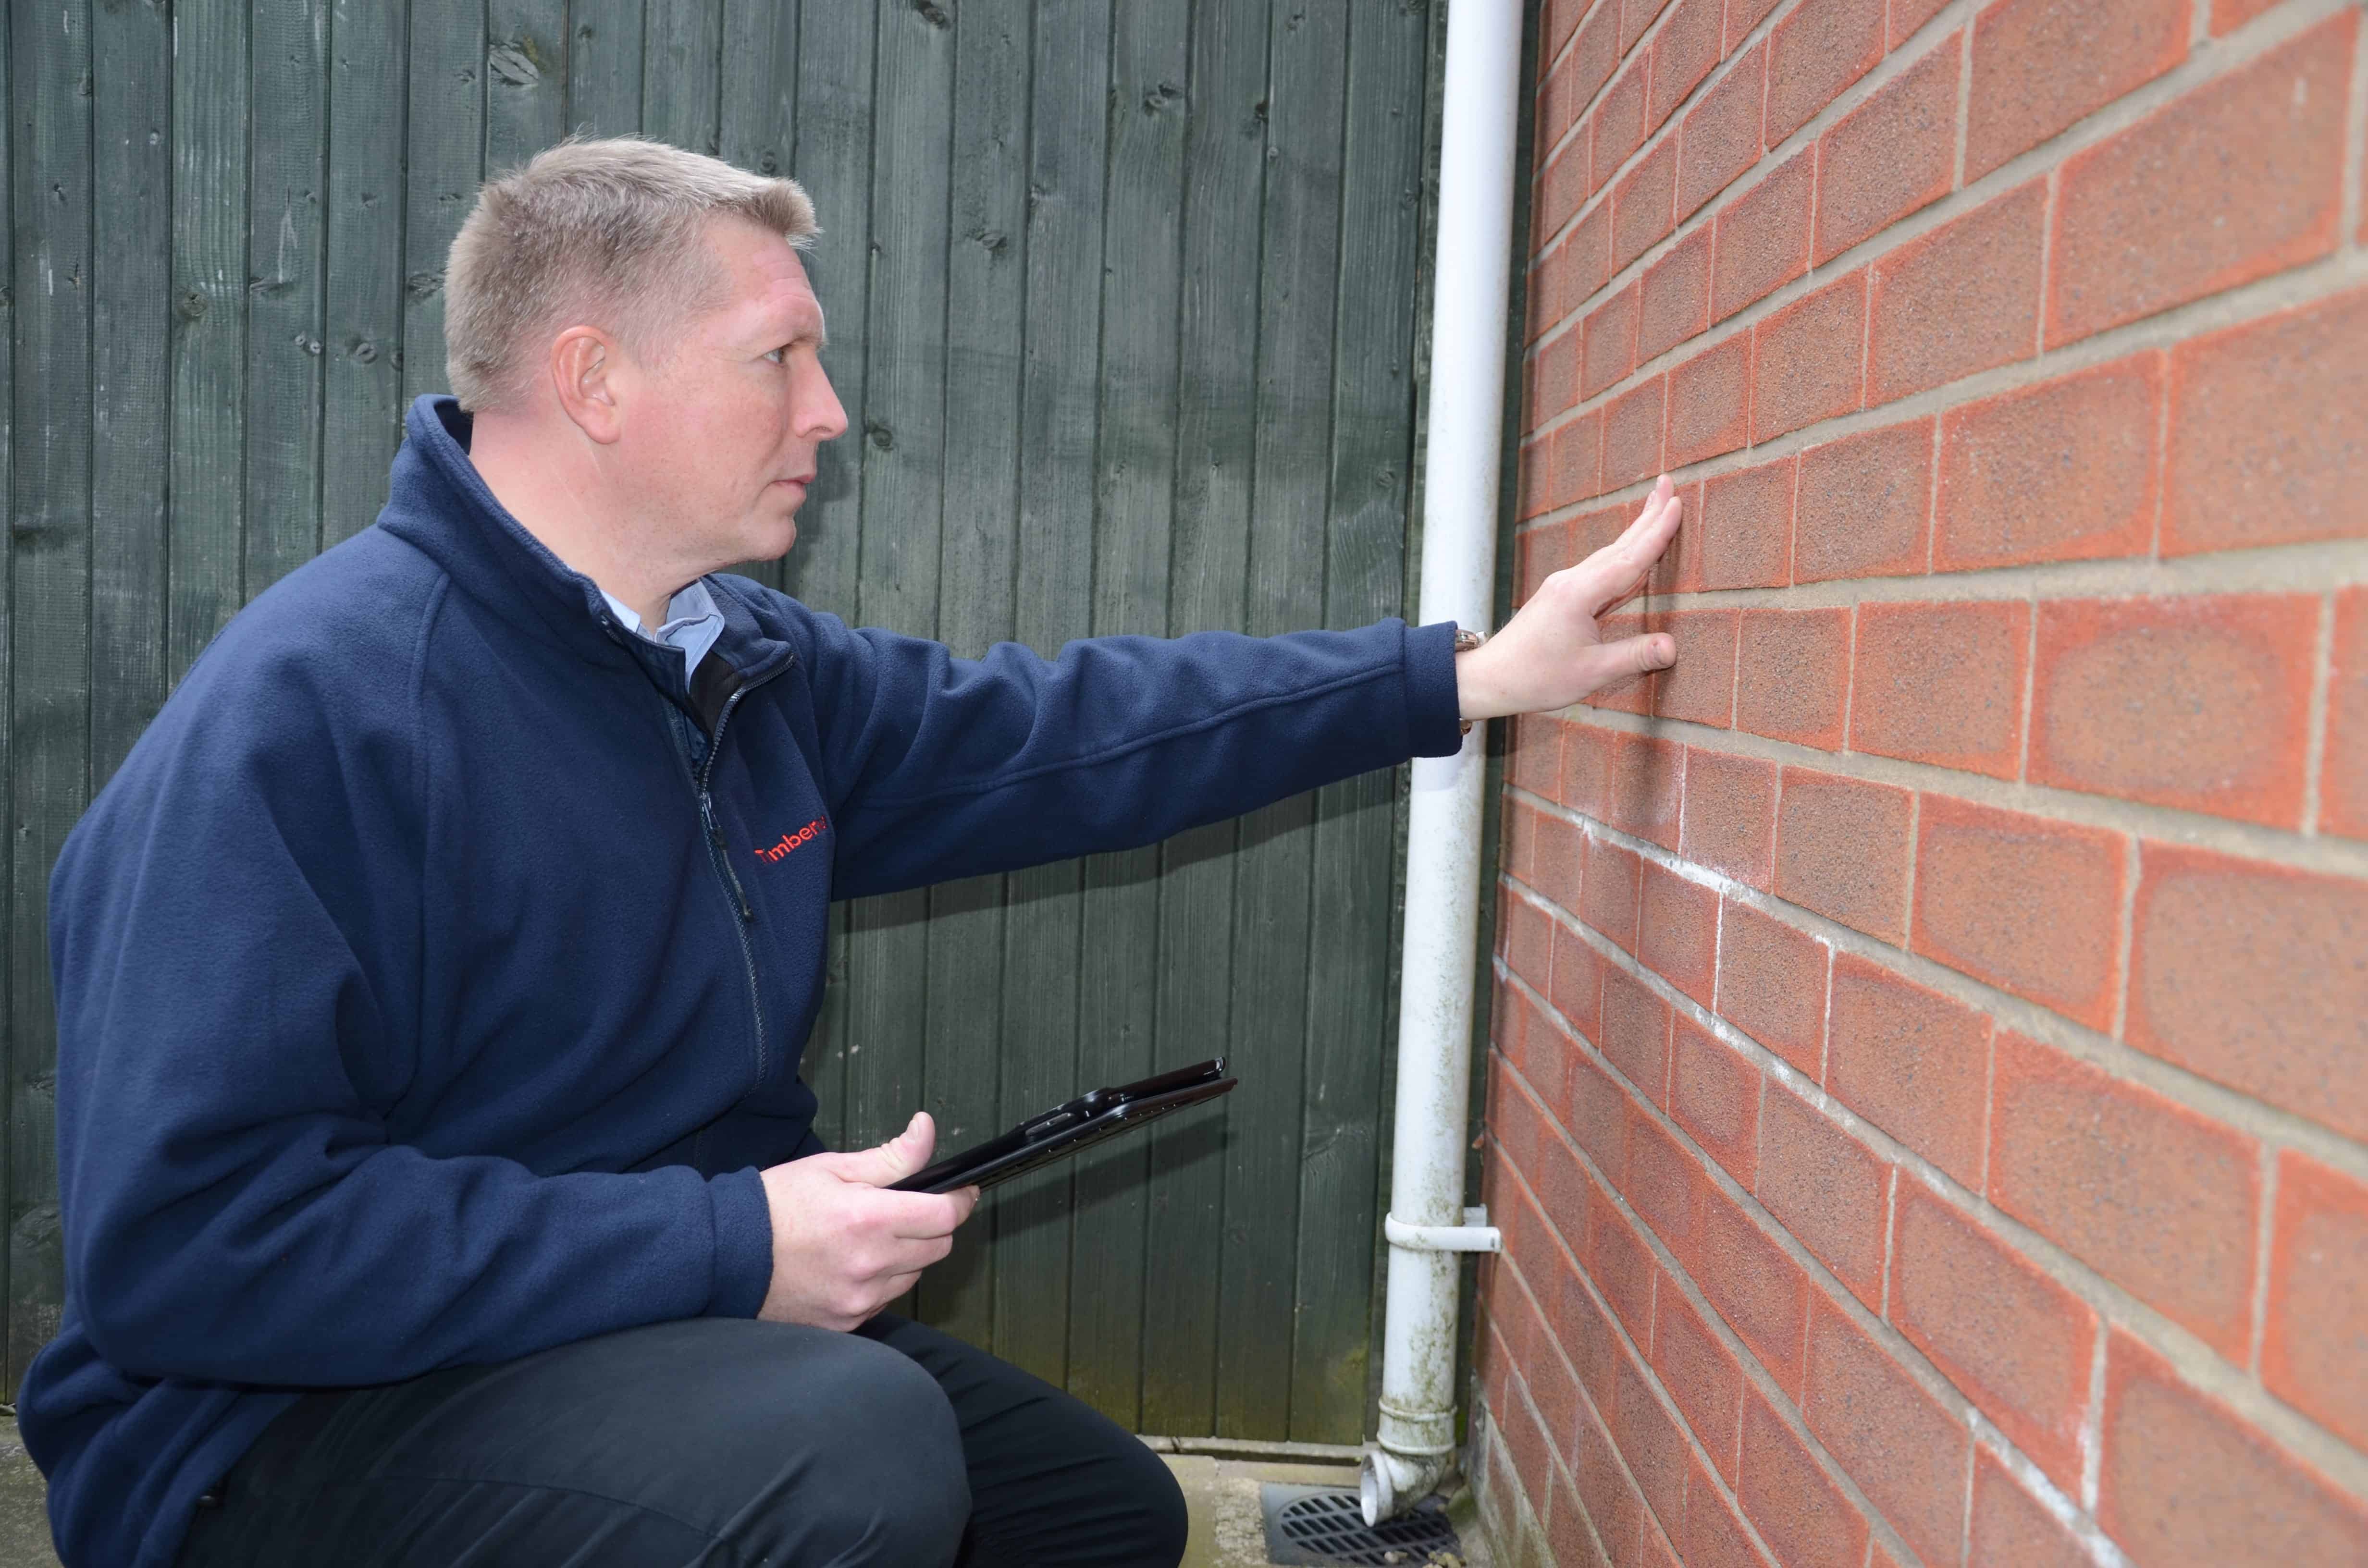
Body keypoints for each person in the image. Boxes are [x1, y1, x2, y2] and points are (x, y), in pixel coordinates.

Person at [18, 137, 1681, 1568]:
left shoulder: (729, 662)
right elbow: (193, 1252)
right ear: (594, 381)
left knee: (1101, 1521)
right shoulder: (315, 715)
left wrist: (1456, 679)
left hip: (609, 1328)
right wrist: (731, 1246)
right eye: (778, 358)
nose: (829, 410)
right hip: (271, 1434)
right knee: (854, 1454)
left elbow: (1064, 734)